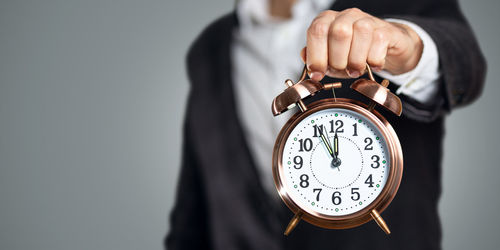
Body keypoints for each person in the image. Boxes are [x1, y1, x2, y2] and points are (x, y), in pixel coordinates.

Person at [166, 0, 486, 249]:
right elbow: (195, 209)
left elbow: (465, 66)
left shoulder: (393, 4)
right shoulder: (209, 48)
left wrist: (409, 47)